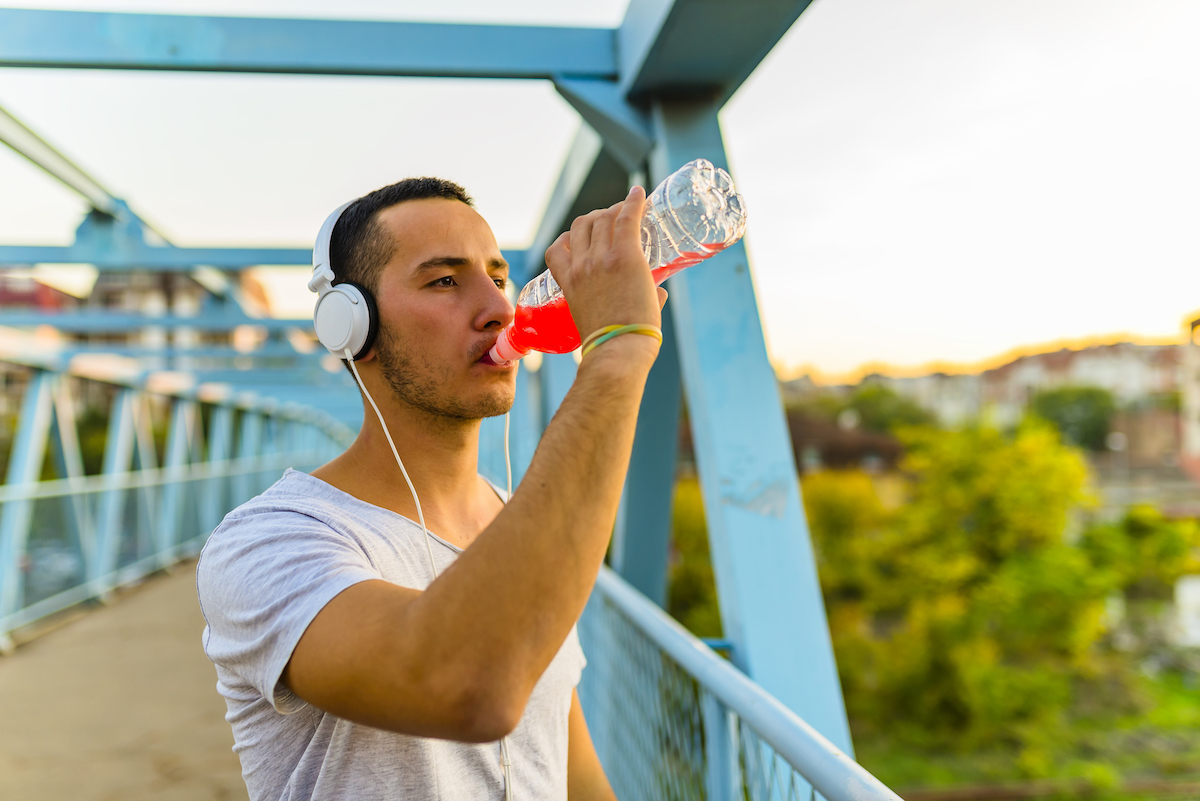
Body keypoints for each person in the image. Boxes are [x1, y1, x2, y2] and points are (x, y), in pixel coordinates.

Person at [195, 175, 667, 800]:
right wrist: (617, 353)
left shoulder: (519, 522)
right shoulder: (267, 542)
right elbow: (470, 685)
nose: (500, 308)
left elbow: (568, 770)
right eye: (444, 281)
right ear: (349, 326)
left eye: (498, 278)